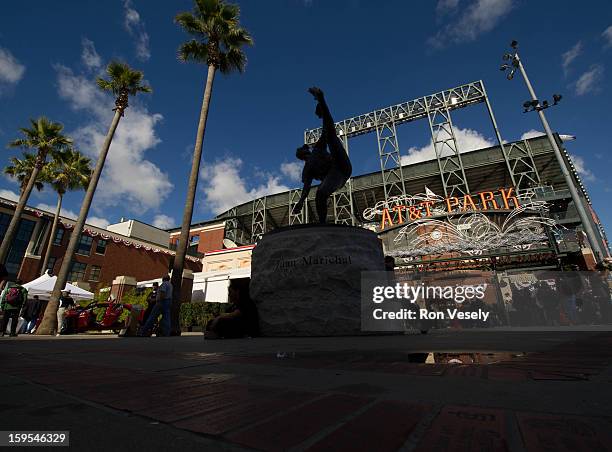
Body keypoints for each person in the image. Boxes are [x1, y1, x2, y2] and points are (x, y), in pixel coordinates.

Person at [293, 87, 352, 223]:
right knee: (320, 194)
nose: (303, 151)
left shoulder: (317, 149)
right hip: (335, 175)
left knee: (330, 135)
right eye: (300, 151)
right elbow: (306, 188)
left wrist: (323, 108)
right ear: (301, 156)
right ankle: (322, 224)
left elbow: (328, 128)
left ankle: (321, 97)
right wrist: (301, 203)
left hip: (340, 163)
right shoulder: (307, 170)